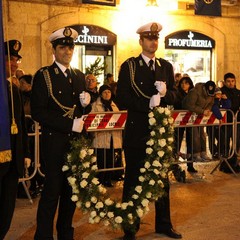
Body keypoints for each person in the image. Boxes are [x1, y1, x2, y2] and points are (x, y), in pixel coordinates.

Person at [116, 22, 181, 240]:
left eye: (156, 38)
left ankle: (164, 224)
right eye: (149, 38)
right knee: (133, 181)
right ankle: (130, 228)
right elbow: (122, 97)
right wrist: (148, 104)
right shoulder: (130, 66)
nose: (153, 42)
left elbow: (175, 96)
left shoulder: (165, 66)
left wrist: (165, 95)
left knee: (162, 180)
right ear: (141, 41)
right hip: (137, 132)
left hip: (159, 133)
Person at [31, 27, 91, 240]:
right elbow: (37, 111)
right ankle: (43, 236)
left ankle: (66, 233)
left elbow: (82, 113)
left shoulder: (78, 75)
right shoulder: (44, 75)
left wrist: (87, 105)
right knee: (51, 194)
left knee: (71, 193)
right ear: (54, 50)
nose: (67, 51)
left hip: (74, 145)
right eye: (62, 47)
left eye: (70, 47)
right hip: (54, 144)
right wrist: (69, 125)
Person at [0, 39, 30, 239]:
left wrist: (26, 153)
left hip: (12, 163)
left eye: (16, 60)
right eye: (10, 58)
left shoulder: (14, 90)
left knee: (6, 209)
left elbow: (21, 125)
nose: (14, 63)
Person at [91, 84, 123, 187]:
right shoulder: (95, 106)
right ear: (101, 94)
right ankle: (100, 179)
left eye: (109, 92)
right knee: (101, 160)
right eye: (105, 92)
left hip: (113, 138)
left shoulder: (114, 106)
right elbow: (92, 120)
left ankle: (108, 179)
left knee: (110, 160)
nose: (107, 94)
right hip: (101, 138)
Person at [182, 80, 216, 162]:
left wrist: (208, 109)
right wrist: (202, 111)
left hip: (200, 116)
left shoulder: (211, 93)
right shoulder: (194, 92)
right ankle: (196, 154)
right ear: (204, 88)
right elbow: (190, 105)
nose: (209, 95)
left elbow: (211, 103)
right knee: (195, 135)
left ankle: (203, 153)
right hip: (191, 116)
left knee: (202, 135)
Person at [174, 76, 197, 173]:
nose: (184, 85)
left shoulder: (193, 94)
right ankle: (175, 163)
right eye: (182, 83)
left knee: (190, 141)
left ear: (190, 84)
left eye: (186, 83)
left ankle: (190, 164)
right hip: (179, 121)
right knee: (177, 141)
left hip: (190, 121)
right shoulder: (177, 94)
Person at [219, 72, 240, 173]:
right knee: (225, 143)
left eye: (232, 81)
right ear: (225, 82)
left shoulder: (238, 92)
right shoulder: (221, 92)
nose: (231, 83)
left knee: (237, 142)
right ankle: (224, 163)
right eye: (228, 81)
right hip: (226, 122)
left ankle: (233, 162)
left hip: (237, 122)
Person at [208, 87, 231, 159]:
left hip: (218, 124)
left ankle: (218, 152)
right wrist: (220, 117)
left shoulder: (221, 101)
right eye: (218, 94)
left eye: (220, 94)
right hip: (211, 123)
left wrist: (226, 99)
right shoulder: (212, 101)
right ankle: (214, 152)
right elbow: (214, 108)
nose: (219, 95)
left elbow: (228, 106)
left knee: (222, 138)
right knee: (211, 139)